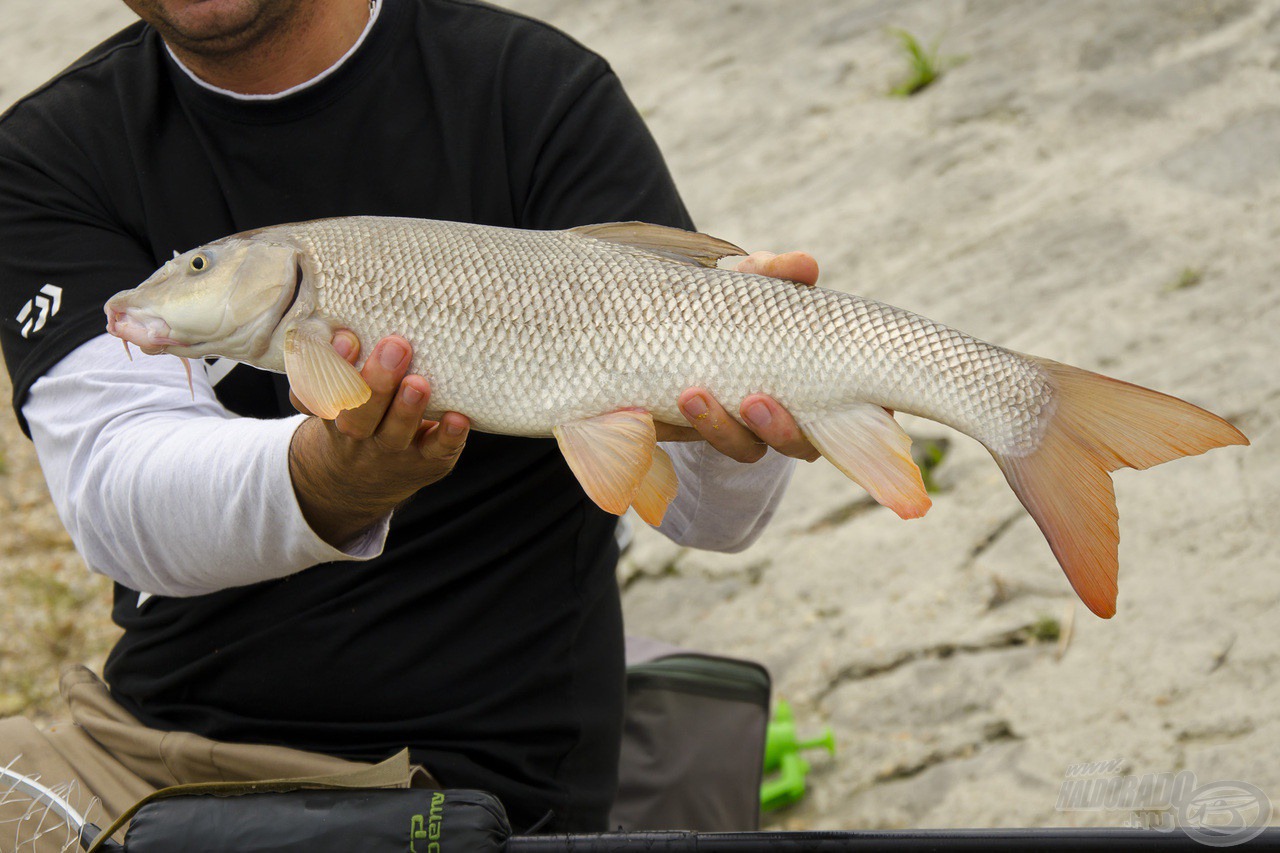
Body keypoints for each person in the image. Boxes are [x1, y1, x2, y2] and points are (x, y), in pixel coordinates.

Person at [0, 0, 820, 839]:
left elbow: (713, 515)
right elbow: (117, 493)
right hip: (151, 748)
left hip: (471, 775)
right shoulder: (51, 151)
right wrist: (326, 478)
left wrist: (746, 406)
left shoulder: (531, 87)